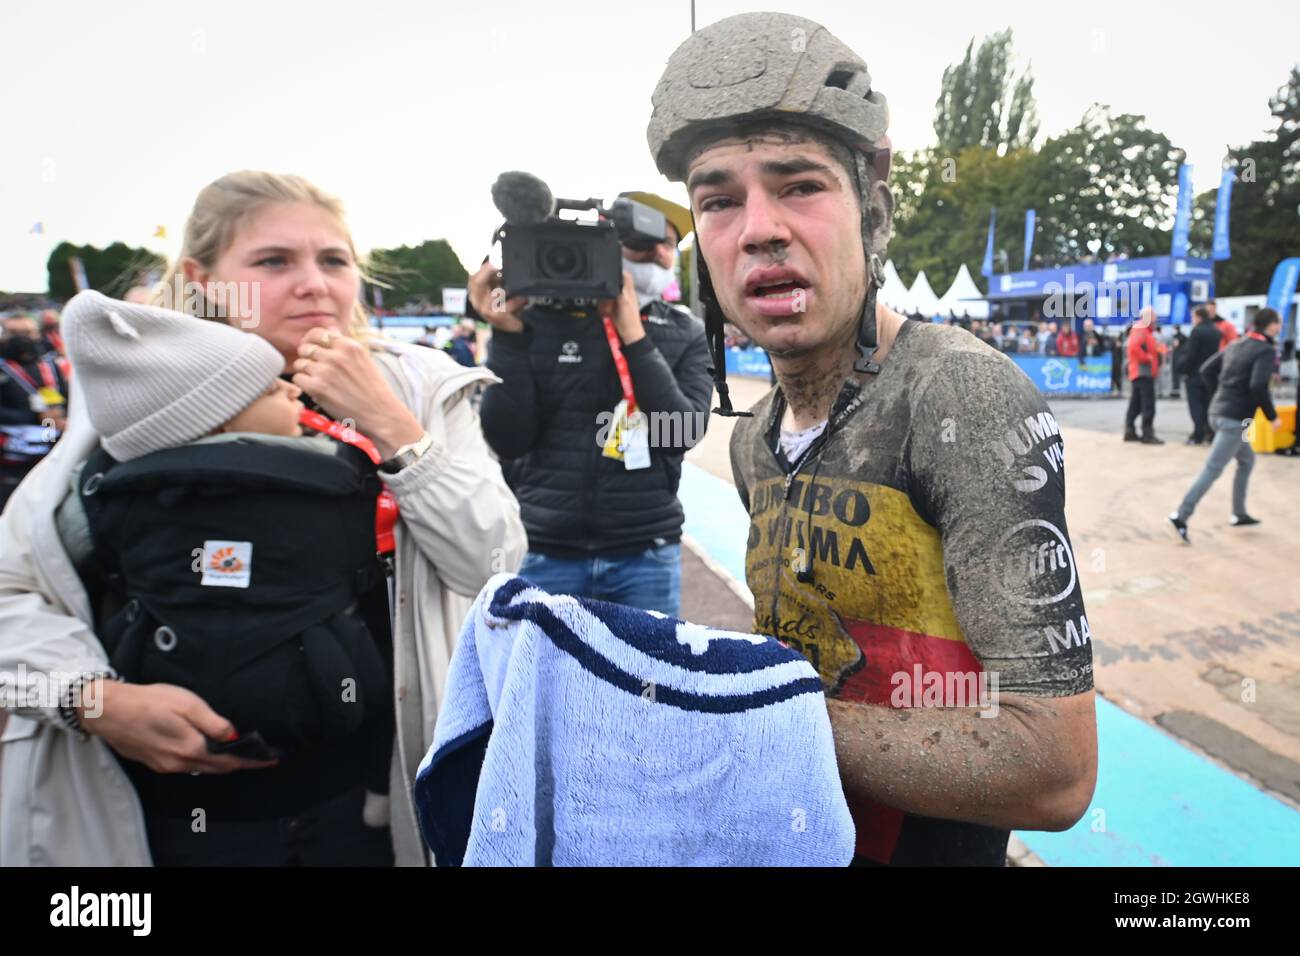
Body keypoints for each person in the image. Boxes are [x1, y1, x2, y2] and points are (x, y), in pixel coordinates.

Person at [647, 11, 1096, 865]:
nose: (759, 228)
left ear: (873, 207)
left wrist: (760, 714)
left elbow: (1056, 770)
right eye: (718, 200)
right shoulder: (755, 441)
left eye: (801, 185)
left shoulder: (957, 396)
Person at [0, 170, 526, 866]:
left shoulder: (420, 388)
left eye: (333, 260)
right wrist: (93, 702)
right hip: (161, 824)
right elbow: (12, 596)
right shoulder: (127, 407)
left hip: (370, 809)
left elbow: (493, 561)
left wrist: (392, 426)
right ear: (202, 278)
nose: (314, 284)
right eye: (273, 262)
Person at [471, 192, 712, 617]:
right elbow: (508, 439)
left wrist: (633, 337)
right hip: (545, 550)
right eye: (642, 242)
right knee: (539, 682)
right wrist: (507, 335)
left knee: (643, 681)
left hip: (645, 554)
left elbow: (681, 432)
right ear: (602, 247)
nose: (657, 253)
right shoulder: (533, 321)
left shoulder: (685, 332)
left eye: (668, 244)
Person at [1168, 309, 1282, 542]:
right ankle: (1181, 514)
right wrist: (1272, 417)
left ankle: (1238, 513)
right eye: (1278, 323)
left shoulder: (1238, 344)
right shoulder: (1265, 350)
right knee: (1213, 468)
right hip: (1234, 420)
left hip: (1218, 413)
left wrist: (1219, 395)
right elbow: (1258, 386)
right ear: (1271, 326)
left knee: (1246, 460)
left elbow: (1207, 370)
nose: (1279, 327)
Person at [1, 313, 71, 508]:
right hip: (11, 458)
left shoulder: (51, 365)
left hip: (51, 444)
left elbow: (67, 397)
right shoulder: (4, 368)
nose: (21, 337)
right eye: (14, 332)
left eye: (27, 332)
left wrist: (64, 416)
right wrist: (33, 416)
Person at [1124, 307, 1165, 444]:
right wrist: (1148, 358)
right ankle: (1147, 434)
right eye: (1154, 316)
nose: (1156, 319)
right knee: (1148, 404)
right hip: (1143, 372)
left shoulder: (1145, 330)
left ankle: (1129, 431)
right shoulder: (1141, 328)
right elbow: (1134, 347)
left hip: (1140, 372)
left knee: (1135, 404)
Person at [1181, 306, 1222, 444]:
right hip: (1211, 374)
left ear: (1199, 317)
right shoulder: (1216, 331)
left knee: (1196, 406)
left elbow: (1191, 355)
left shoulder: (1197, 331)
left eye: (1193, 317)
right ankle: (1210, 433)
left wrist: (1185, 371)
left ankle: (1198, 434)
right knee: (1208, 405)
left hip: (1195, 374)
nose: (1192, 320)